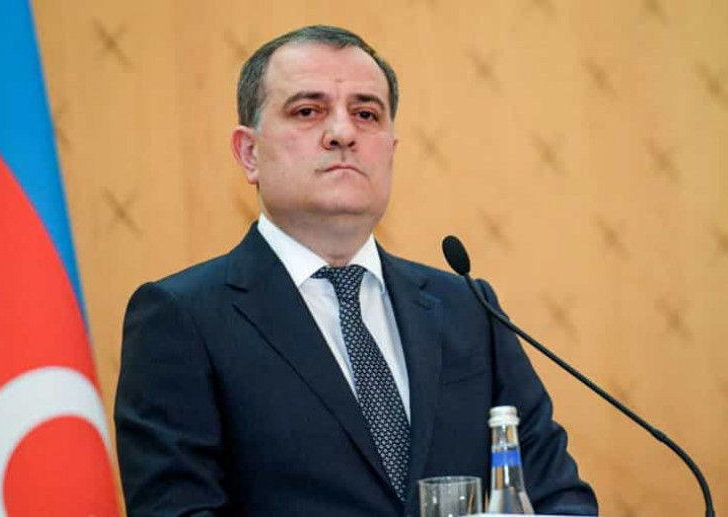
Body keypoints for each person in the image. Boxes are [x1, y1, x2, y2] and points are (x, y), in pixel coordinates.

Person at [114, 25, 598, 517]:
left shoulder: (468, 308)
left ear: (391, 148)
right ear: (249, 153)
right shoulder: (182, 318)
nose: (343, 133)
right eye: (308, 111)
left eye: (366, 114)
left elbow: (559, 497)